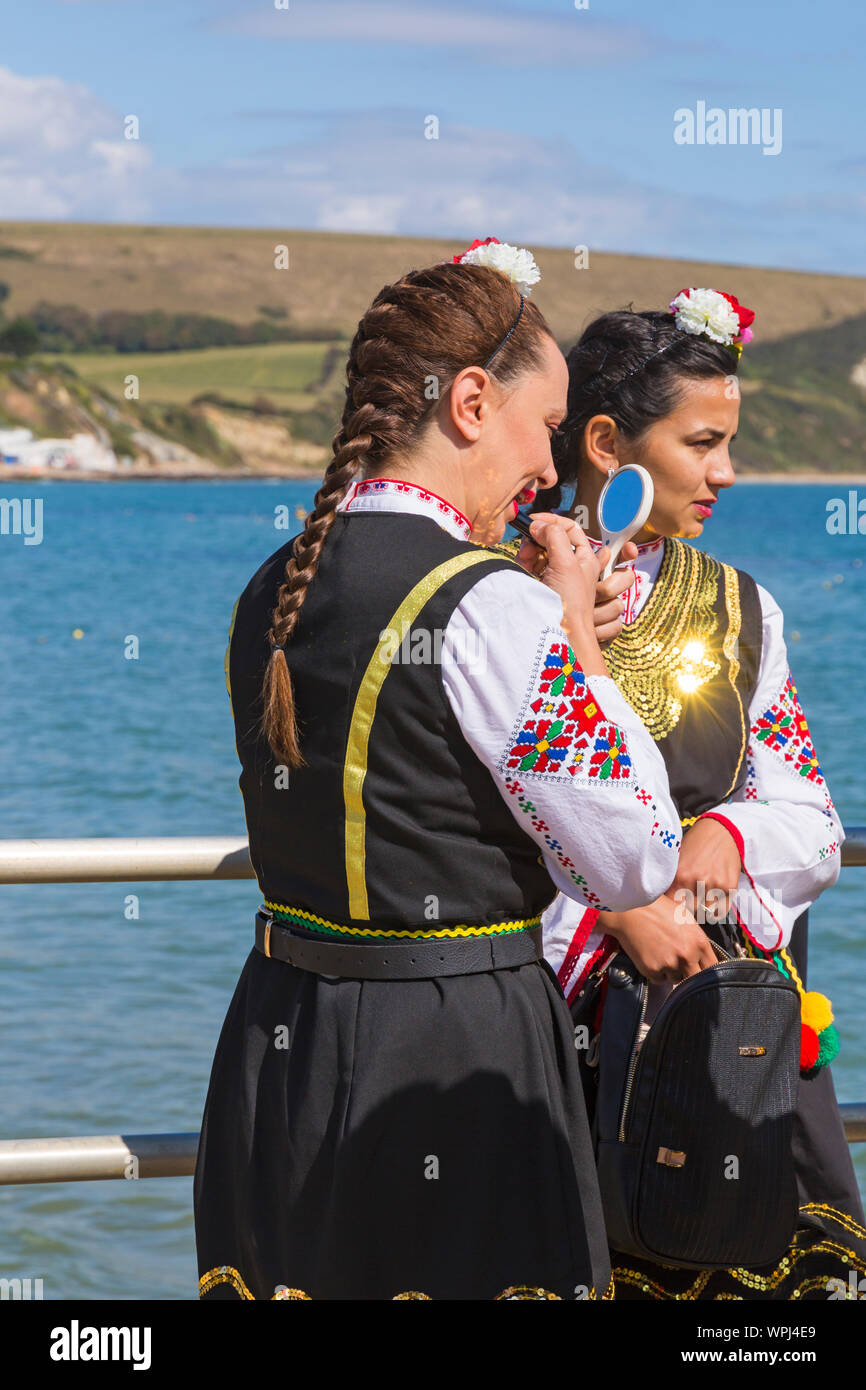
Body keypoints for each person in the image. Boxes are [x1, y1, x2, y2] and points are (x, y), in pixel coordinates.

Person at [193, 241, 689, 1301]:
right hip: (452, 1054)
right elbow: (634, 855)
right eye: (543, 425)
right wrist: (575, 638)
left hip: (280, 1041)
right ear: (470, 400)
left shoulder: (269, 585)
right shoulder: (492, 605)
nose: (548, 466)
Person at [532, 288, 866, 1300]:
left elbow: (806, 810)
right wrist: (616, 901)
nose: (725, 471)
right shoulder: (499, 596)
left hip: (722, 1025)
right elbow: (475, 820)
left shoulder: (738, 610)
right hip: (556, 1027)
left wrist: (723, 831)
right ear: (604, 441)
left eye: (728, 442)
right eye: (701, 441)